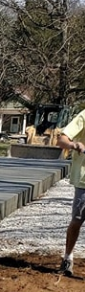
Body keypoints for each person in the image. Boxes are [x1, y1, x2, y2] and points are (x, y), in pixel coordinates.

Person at [54, 112, 85, 276]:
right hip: (84, 181)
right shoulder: (84, 116)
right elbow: (61, 140)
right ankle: (68, 258)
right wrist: (74, 145)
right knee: (77, 221)